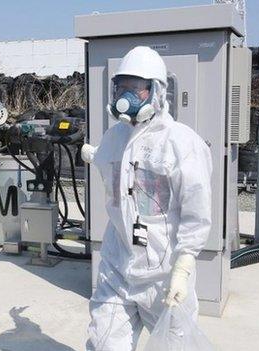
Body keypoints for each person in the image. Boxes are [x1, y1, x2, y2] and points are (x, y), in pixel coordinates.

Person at [81, 46, 213, 350]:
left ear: (156, 91)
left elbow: (196, 211)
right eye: (121, 87)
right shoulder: (114, 138)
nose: (125, 95)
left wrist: (183, 268)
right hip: (118, 267)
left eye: (135, 88)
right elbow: (107, 164)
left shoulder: (182, 144)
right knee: (103, 344)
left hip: (164, 276)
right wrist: (89, 153)